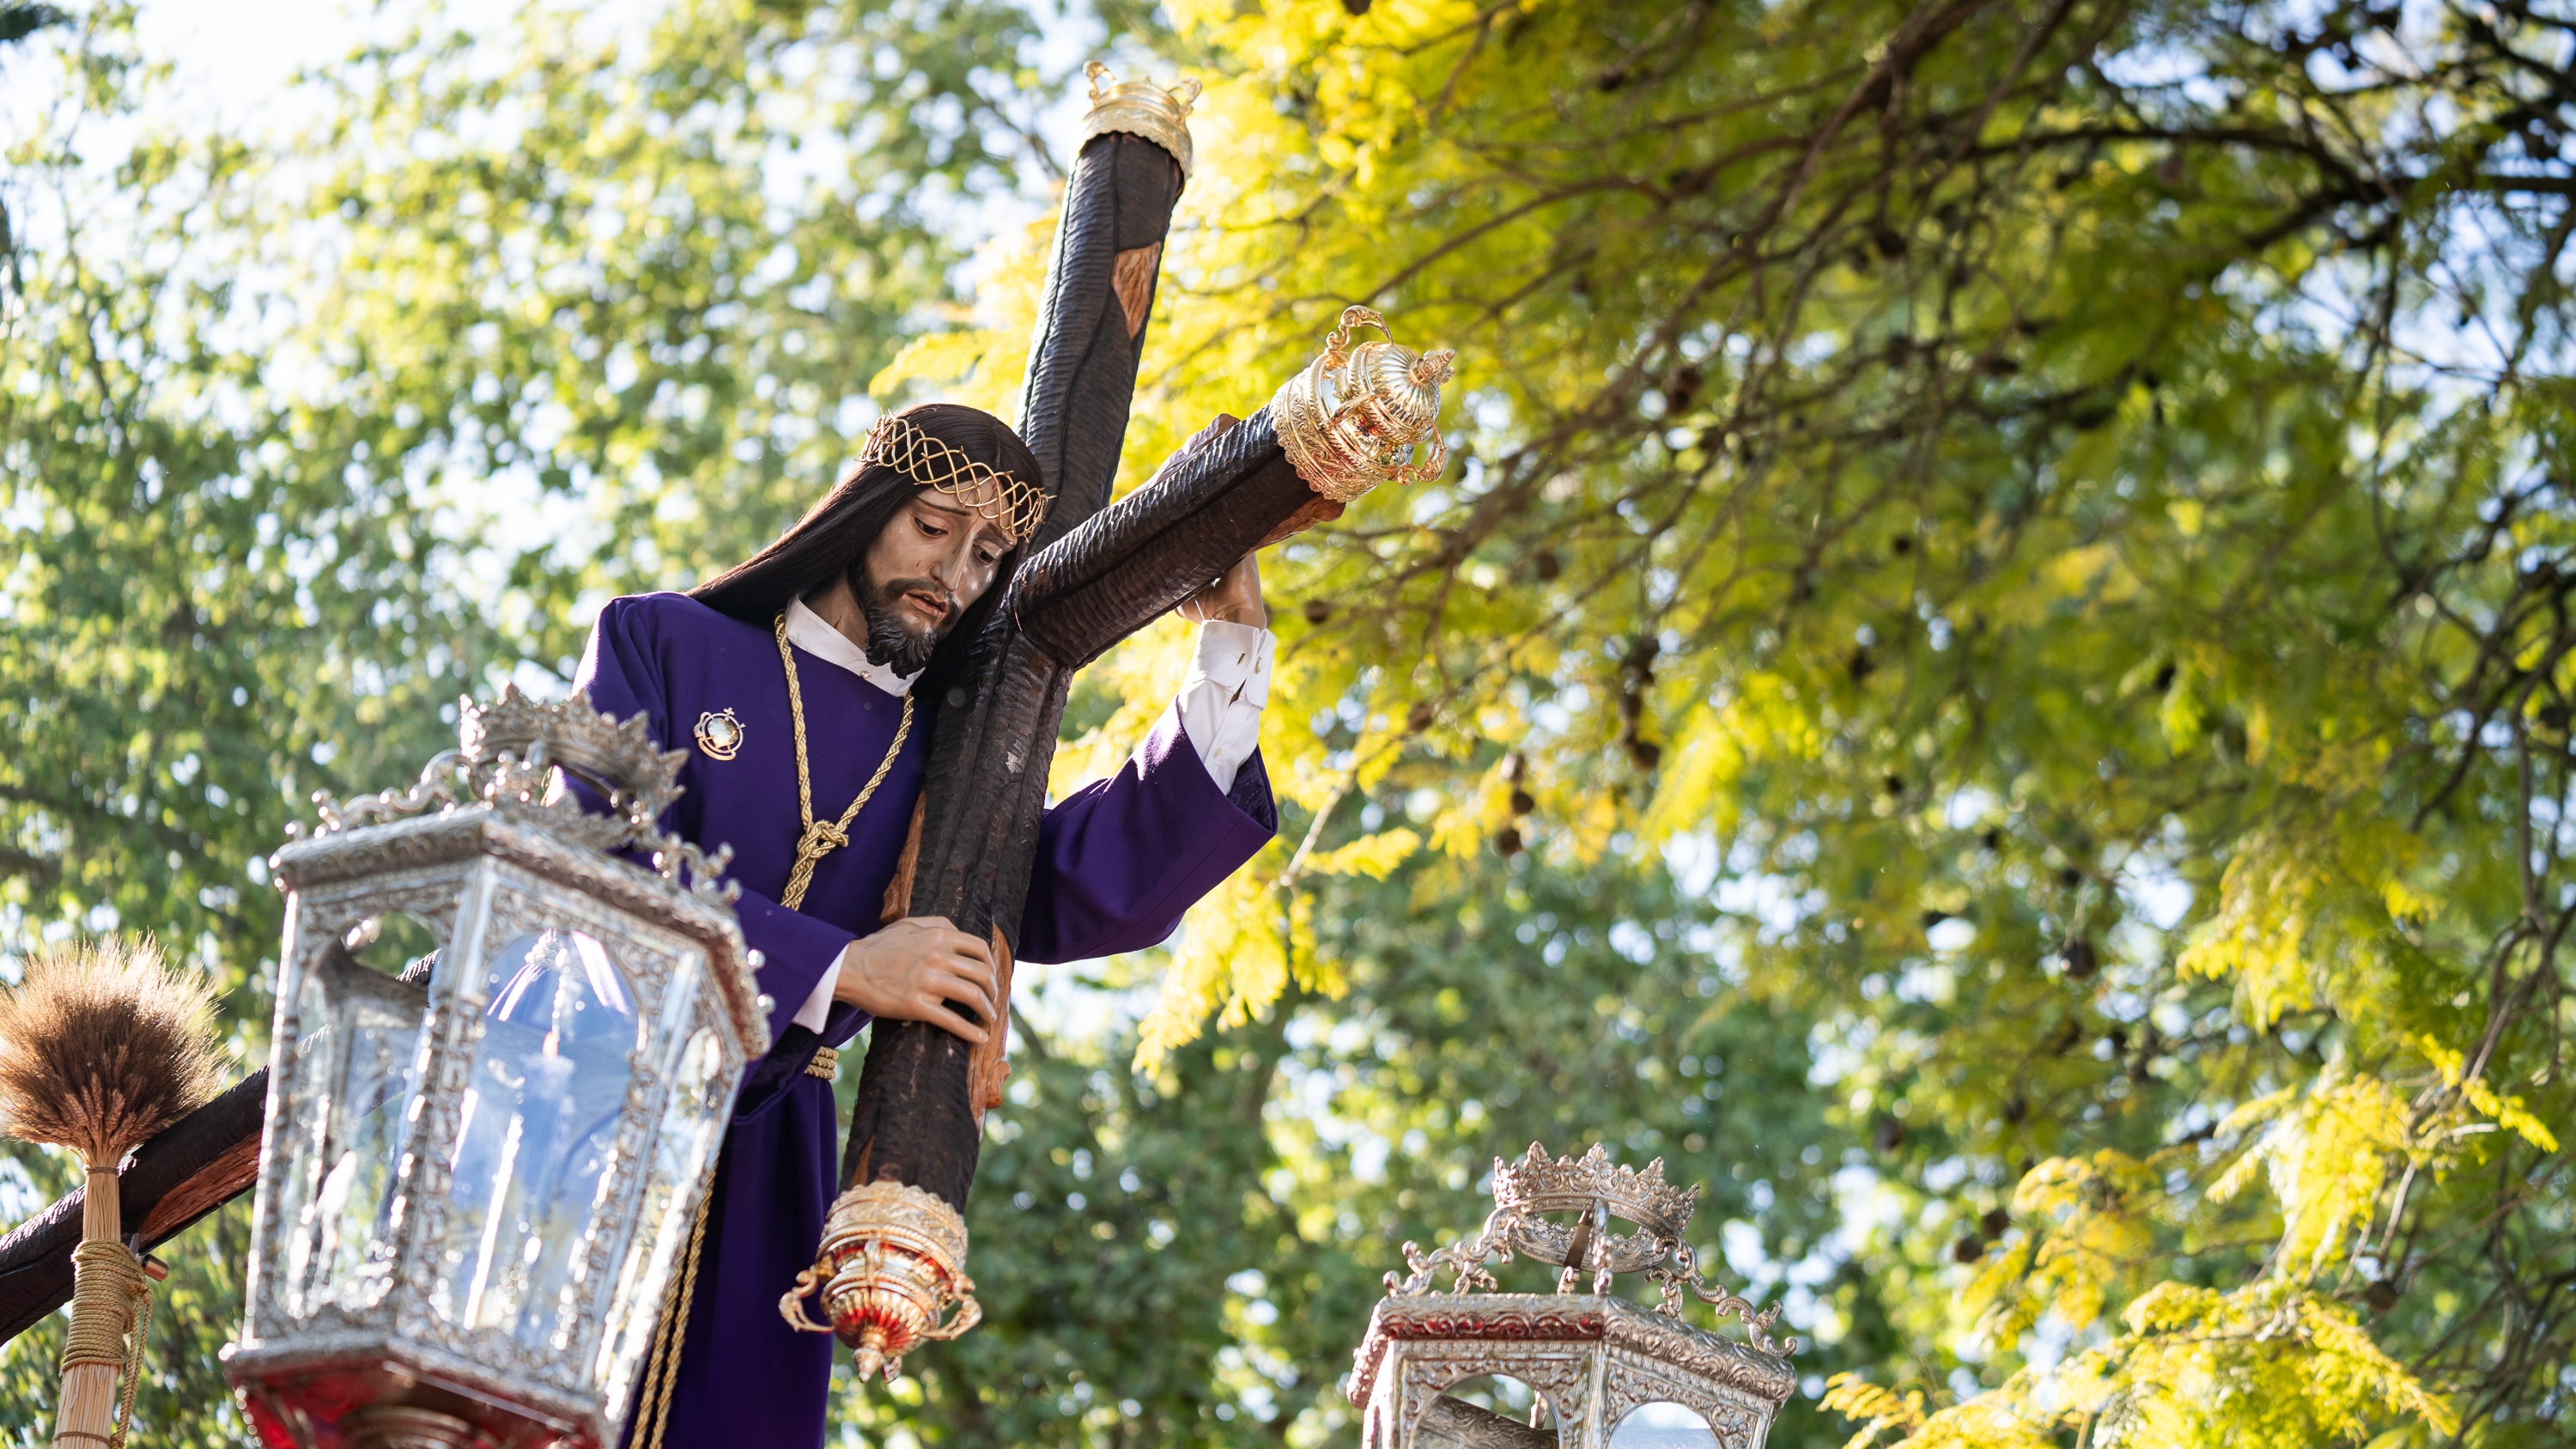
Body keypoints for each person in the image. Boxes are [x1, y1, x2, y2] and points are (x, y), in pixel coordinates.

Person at [575, 402, 1279, 1449]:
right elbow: (597, 861)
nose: (956, 574)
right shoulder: (663, 640)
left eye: (991, 553)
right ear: (862, 513)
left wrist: (1232, 651)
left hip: (771, 1164)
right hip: (587, 1094)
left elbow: (1091, 879)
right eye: (934, 526)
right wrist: (844, 966)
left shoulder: (944, 755)